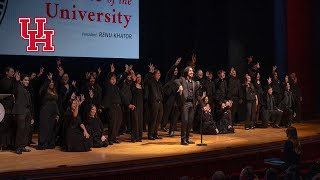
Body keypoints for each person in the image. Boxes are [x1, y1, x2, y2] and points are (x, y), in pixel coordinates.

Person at [175, 66, 205, 145]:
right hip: (185, 103)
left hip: (192, 104)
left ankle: (187, 139)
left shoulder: (194, 83)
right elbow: (176, 81)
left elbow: (197, 96)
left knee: (190, 122)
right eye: (190, 71)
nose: (192, 72)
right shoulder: (183, 79)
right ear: (186, 72)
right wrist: (180, 86)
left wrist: (203, 105)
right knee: (185, 121)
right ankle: (183, 139)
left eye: (192, 71)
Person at [37, 73, 60, 150]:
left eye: (52, 82)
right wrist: (48, 80)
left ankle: (50, 143)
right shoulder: (44, 91)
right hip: (45, 111)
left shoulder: (55, 91)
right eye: (50, 82)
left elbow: (56, 103)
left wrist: (57, 113)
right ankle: (42, 144)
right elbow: (42, 90)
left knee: (51, 128)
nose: (52, 83)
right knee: (44, 127)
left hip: (53, 112)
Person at [12, 74, 33, 154]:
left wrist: (31, 116)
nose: (27, 81)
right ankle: (17, 147)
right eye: (25, 80)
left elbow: (30, 103)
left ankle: (23, 146)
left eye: (28, 80)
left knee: (26, 130)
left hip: (27, 111)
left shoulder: (27, 90)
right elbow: (14, 90)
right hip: (20, 111)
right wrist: (16, 81)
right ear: (21, 81)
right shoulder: (18, 88)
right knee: (20, 130)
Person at [0, 67, 17, 150]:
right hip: (6, 106)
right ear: (7, 72)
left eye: (14, 71)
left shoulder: (13, 81)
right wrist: (15, 80)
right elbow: (8, 89)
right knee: (4, 126)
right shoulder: (3, 81)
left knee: (12, 126)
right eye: (12, 71)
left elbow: (15, 91)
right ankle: (3, 144)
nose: (13, 73)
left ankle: (10, 144)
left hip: (13, 105)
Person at [144, 69, 163, 140]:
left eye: (159, 73)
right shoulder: (151, 81)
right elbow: (146, 81)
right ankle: (150, 134)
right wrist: (150, 73)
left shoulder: (159, 83)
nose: (159, 74)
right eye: (157, 73)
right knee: (153, 119)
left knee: (158, 119)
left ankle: (155, 134)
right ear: (153, 75)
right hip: (154, 103)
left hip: (160, 103)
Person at [130, 73, 144, 142]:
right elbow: (132, 92)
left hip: (140, 106)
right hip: (135, 104)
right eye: (137, 77)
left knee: (140, 121)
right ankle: (134, 137)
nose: (139, 79)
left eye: (140, 77)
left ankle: (139, 137)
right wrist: (133, 81)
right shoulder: (133, 85)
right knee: (135, 121)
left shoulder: (142, 86)